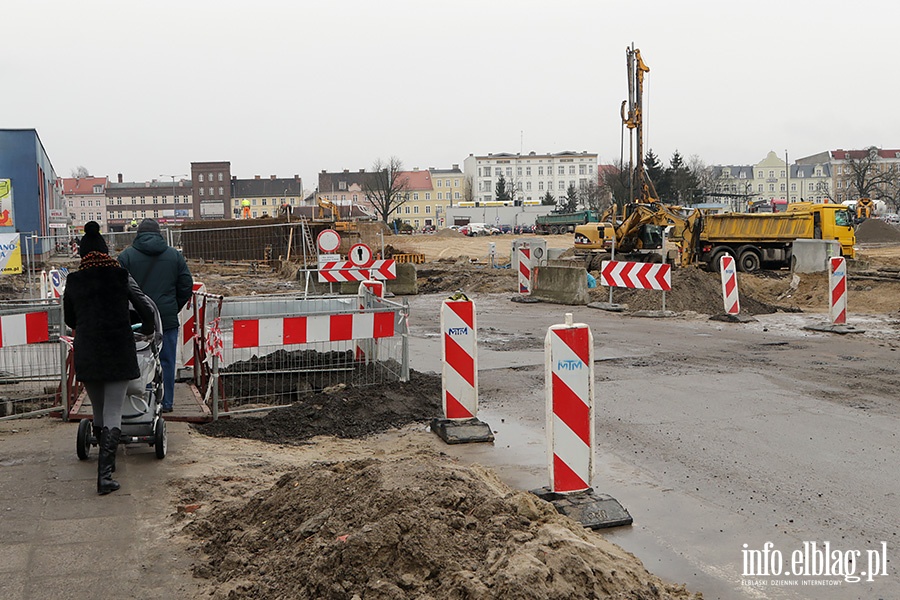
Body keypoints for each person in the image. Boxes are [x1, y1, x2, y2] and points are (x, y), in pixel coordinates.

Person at [63, 221, 158, 495]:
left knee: (99, 409)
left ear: (83, 255)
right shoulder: (120, 276)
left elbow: (71, 319)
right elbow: (144, 308)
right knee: (115, 410)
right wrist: (148, 330)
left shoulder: (75, 280)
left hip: (89, 351)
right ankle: (104, 476)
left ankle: (107, 467)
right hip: (117, 349)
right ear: (106, 252)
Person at [117, 218, 193, 414]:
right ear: (159, 233)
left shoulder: (126, 257)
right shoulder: (174, 256)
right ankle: (166, 403)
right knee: (166, 360)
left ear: (138, 234)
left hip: (136, 320)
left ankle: (142, 401)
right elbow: (186, 285)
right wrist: (172, 307)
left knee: (139, 359)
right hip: (166, 319)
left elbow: (116, 287)